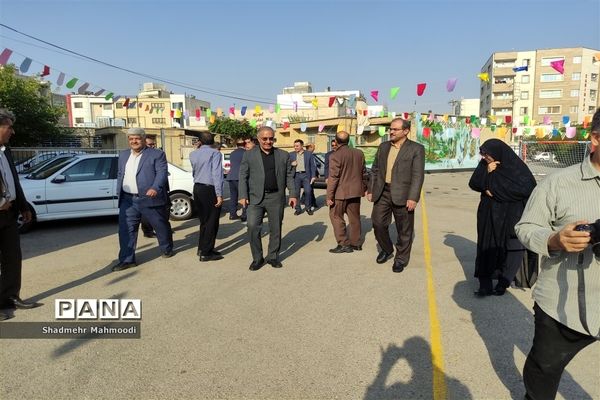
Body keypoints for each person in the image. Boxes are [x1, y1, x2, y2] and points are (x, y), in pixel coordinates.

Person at [515, 108, 600, 400]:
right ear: (596, 139)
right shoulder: (558, 183)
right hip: (564, 308)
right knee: (543, 374)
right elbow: (526, 227)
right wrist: (554, 239)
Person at [468, 139, 536, 297]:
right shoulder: (485, 165)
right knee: (486, 247)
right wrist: (487, 172)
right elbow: (474, 183)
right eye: (482, 153)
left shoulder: (516, 167)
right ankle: (485, 284)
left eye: (487, 154)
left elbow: (527, 188)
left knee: (513, 248)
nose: (484, 157)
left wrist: (494, 190)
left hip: (511, 215)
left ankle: (503, 282)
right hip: (489, 215)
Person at [367, 118, 425, 273]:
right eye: (390, 129)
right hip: (382, 192)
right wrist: (371, 189)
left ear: (405, 131)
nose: (391, 132)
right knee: (378, 223)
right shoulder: (383, 146)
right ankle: (386, 249)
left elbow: (417, 175)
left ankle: (400, 259)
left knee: (404, 230)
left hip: (404, 194)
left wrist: (413, 197)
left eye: (395, 129)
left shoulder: (416, 149)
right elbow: (375, 169)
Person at [0, 109, 42, 320]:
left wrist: (24, 207)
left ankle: (10, 297)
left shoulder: (5, 150)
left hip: (9, 214)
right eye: (9, 127)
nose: (12, 132)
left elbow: (13, 181)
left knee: (12, 258)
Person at [114, 128, 174, 271]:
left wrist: (155, 187)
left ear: (143, 138)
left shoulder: (156, 154)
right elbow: (120, 173)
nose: (134, 141)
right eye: (131, 139)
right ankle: (127, 260)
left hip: (149, 198)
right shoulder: (123, 155)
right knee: (126, 230)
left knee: (160, 225)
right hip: (128, 200)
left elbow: (161, 173)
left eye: (137, 138)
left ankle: (166, 248)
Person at [238, 126, 297, 270]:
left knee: (275, 228)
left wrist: (293, 194)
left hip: (276, 197)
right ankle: (257, 258)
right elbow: (243, 176)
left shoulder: (283, 155)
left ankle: (272, 256)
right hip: (255, 198)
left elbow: (289, 176)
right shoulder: (249, 155)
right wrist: (242, 195)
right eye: (265, 138)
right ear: (258, 139)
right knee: (252, 227)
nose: (268, 141)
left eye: (271, 138)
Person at [326, 131, 367, 253]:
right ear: (348, 141)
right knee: (354, 218)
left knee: (336, 217)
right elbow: (364, 172)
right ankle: (356, 243)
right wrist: (364, 188)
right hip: (355, 192)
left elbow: (333, 177)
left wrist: (329, 196)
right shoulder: (359, 153)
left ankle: (344, 244)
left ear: (336, 142)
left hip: (340, 193)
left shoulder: (335, 156)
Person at [190, 132, 224, 262]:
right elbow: (217, 174)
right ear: (212, 140)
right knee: (212, 221)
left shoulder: (193, 154)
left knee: (204, 221)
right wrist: (219, 194)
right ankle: (206, 252)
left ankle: (202, 247)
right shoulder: (215, 153)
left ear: (200, 141)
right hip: (210, 188)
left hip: (198, 187)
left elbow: (194, 172)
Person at [289, 139, 317, 216]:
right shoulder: (291, 154)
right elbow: (286, 165)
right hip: (296, 176)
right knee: (296, 193)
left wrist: (313, 176)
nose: (295, 147)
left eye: (297, 146)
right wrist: (291, 164)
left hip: (306, 176)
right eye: (294, 146)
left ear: (302, 146)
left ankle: (308, 208)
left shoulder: (309, 154)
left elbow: (312, 166)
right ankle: (298, 209)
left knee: (308, 192)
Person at [141, 136, 159, 238]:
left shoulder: (157, 155)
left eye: (153, 144)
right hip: (146, 189)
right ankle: (147, 231)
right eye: (150, 144)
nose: (152, 146)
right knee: (146, 212)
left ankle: (158, 229)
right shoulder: (142, 157)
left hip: (157, 188)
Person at [225, 140, 247, 221]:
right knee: (244, 196)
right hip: (240, 178)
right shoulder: (246, 153)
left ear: (237, 145)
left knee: (233, 197)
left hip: (231, 177)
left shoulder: (232, 153)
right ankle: (244, 215)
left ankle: (232, 214)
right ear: (244, 144)